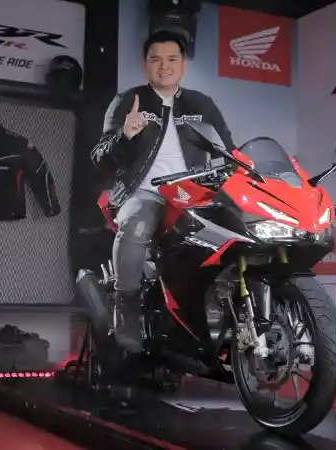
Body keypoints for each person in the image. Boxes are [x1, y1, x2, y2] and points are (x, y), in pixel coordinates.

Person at [90, 30, 236, 352]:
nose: (164, 66)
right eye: (156, 59)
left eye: (172, 59)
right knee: (135, 226)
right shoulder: (128, 101)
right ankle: (126, 307)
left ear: (183, 65)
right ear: (146, 65)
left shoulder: (201, 104)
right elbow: (100, 158)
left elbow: (230, 152)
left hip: (197, 193)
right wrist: (125, 136)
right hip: (147, 192)